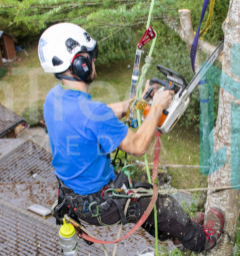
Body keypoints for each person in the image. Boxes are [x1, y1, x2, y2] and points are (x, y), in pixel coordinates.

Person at [40, 23, 225, 253]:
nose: (94, 61)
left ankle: (177, 231)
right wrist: (156, 107)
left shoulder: (53, 97)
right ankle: (201, 240)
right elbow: (138, 146)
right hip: (99, 203)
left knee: (144, 199)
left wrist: (135, 105)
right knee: (160, 204)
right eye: (91, 57)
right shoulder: (95, 114)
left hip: (72, 198)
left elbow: (90, 117)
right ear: (81, 64)